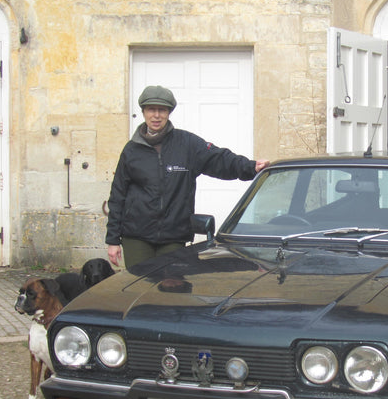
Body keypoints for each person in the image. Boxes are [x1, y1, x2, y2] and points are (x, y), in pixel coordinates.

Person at [106, 85, 269, 268]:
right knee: (139, 289)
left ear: (169, 112)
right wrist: (113, 239)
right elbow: (117, 196)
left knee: (174, 292)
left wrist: (250, 167)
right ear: (143, 112)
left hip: (173, 236)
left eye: (162, 110)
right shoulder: (131, 150)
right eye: (151, 109)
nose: (156, 115)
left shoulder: (187, 144)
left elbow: (219, 159)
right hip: (136, 237)